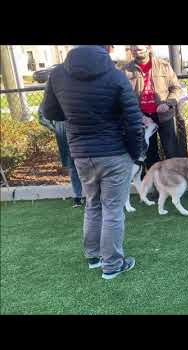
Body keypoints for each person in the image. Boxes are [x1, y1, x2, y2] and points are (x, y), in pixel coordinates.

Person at [41, 45, 144, 280]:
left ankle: (93, 256)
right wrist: (134, 153)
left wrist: (76, 113)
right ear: (106, 48)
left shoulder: (57, 74)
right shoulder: (115, 75)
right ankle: (112, 265)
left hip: (81, 153)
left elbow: (50, 111)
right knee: (112, 210)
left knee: (93, 204)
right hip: (114, 153)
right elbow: (133, 120)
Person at [122, 45, 184, 169]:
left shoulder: (163, 65)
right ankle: (155, 184)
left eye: (139, 49)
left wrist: (168, 103)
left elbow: (176, 88)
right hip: (143, 118)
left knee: (171, 151)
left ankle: (174, 182)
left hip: (164, 116)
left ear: (148, 48)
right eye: (133, 49)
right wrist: (139, 116)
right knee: (150, 154)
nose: (135, 52)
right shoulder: (125, 70)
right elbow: (123, 97)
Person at [38, 107, 84, 207]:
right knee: (72, 165)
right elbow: (42, 114)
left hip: (85, 127)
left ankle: (95, 194)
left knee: (90, 162)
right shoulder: (54, 91)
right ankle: (78, 196)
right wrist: (55, 128)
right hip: (64, 129)